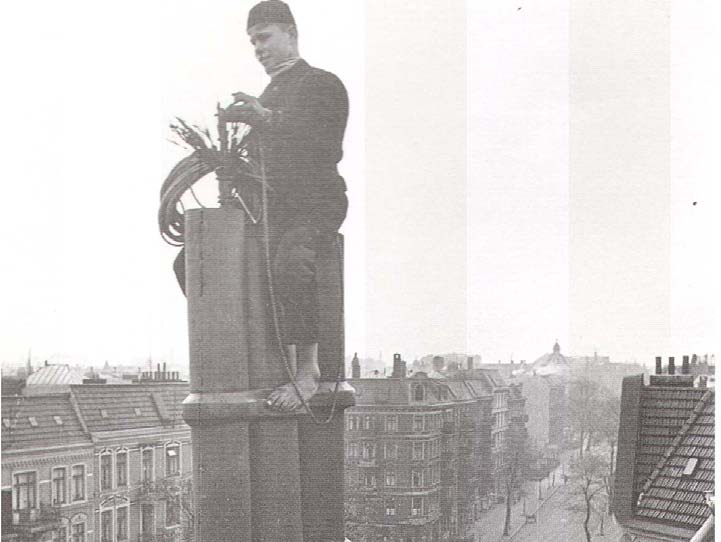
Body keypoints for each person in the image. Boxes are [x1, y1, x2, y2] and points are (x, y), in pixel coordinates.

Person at [219, 0, 349, 412]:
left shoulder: (323, 84)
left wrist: (267, 119)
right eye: (252, 41)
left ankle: (307, 373)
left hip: (314, 206)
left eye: (264, 37)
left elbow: (323, 145)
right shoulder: (268, 95)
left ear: (291, 34)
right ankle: (256, 357)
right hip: (272, 211)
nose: (258, 48)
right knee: (197, 263)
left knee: (292, 262)